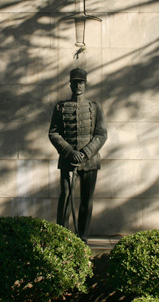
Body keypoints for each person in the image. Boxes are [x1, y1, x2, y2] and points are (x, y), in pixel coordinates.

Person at [49, 68, 107, 243]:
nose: (78, 86)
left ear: (85, 84)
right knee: (65, 196)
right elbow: (54, 133)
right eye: (75, 82)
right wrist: (69, 152)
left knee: (86, 200)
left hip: (90, 161)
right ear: (70, 84)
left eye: (81, 82)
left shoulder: (95, 108)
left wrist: (85, 153)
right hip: (68, 160)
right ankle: (62, 236)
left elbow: (101, 134)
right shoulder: (60, 107)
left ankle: (83, 237)